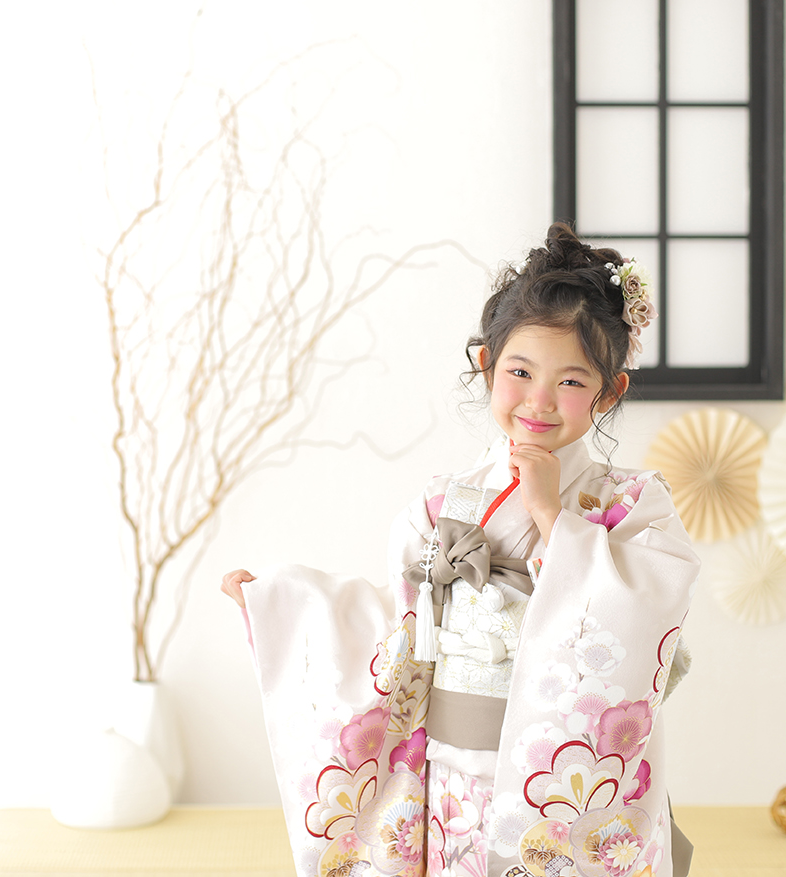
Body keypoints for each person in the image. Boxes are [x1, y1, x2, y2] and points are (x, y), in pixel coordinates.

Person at [221, 222, 700, 877]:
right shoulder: (443, 498)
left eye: (570, 381)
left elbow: (644, 613)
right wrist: (283, 605)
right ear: (486, 366)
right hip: (453, 771)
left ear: (609, 390)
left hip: (558, 776)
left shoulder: (633, 502)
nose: (539, 400)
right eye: (520, 372)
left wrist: (551, 514)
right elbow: (398, 621)